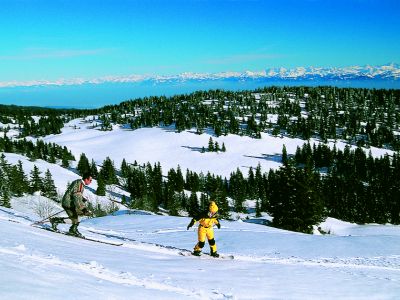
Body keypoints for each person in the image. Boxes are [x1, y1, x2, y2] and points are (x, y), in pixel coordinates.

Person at [50, 173, 93, 237]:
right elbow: (76, 197)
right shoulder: (80, 184)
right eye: (90, 180)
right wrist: (83, 209)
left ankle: (71, 228)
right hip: (68, 203)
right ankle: (71, 229)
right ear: (86, 179)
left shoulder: (79, 183)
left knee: (79, 215)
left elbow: (75, 194)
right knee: (75, 218)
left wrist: (82, 199)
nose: (91, 182)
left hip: (70, 203)